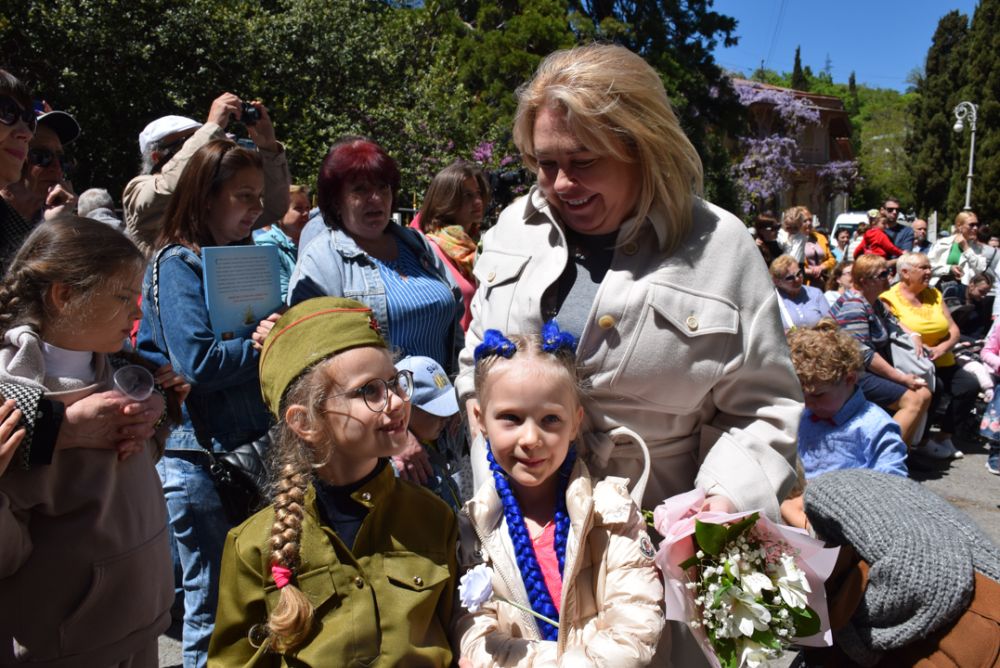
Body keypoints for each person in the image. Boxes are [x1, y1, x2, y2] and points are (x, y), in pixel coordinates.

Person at [456, 43, 798, 575]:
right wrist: (491, 464)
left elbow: (764, 407)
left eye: (584, 161)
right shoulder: (509, 232)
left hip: (659, 546)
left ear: (642, 146)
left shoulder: (721, 245)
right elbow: (474, 367)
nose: (562, 184)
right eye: (546, 164)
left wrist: (724, 499)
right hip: (521, 540)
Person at [209, 297, 457, 666]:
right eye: (368, 391)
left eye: (395, 383)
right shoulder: (255, 546)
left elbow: (453, 635)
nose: (395, 402)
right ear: (305, 422)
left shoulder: (433, 517)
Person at [0, 216, 181, 666]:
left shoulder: (120, 368)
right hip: (67, 646)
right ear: (64, 296)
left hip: (141, 621)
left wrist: (155, 419)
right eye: (123, 297)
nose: (137, 313)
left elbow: (132, 470)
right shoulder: (11, 398)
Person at [136, 139, 282, 667]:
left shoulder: (241, 258)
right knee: (210, 612)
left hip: (246, 453)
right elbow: (198, 364)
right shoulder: (176, 263)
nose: (255, 209)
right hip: (199, 462)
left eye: (258, 196)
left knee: (251, 603)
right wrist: (265, 341)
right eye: (243, 196)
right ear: (204, 198)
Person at [455, 323, 664, 665]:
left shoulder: (611, 511)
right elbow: (474, 637)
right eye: (511, 418)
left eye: (550, 419)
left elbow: (634, 630)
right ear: (480, 419)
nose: (530, 438)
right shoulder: (473, 527)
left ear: (575, 423)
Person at [0, 70, 161, 475]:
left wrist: (151, 390)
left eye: (28, 118)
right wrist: (64, 427)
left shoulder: (20, 226)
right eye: (8, 113)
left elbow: (71, 347)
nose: (23, 129)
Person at [287, 137, 463, 373]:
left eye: (383, 187)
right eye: (360, 189)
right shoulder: (320, 260)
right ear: (336, 200)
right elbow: (312, 357)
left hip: (442, 401)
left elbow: (455, 322)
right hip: (380, 405)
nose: (377, 198)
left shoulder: (416, 244)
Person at [798, 469, 1000, 666]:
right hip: (949, 623)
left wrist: (839, 620)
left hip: (971, 618)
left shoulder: (828, 492)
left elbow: (924, 574)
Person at [123, 93, 290, 257]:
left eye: (199, 139)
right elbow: (168, 189)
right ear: (157, 157)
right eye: (191, 141)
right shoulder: (137, 190)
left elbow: (274, 207)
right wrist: (211, 127)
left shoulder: (208, 195)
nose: (205, 148)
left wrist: (268, 148)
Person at [881, 252, 978, 461]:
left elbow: (953, 329)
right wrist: (922, 346)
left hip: (942, 358)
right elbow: (898, 330)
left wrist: (943, 348)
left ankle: (943, 437)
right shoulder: (889, 298)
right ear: (905, 273)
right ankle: (920, 443)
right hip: (915, 363)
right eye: (923, 268)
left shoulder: (933, 293)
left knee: (969, 386)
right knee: (936, 389)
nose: (929, 272)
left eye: (929, 267)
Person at [829, 254, 932, 446]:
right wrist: (901, 378)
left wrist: (915, 336)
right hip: (850, 374)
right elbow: (862, 354)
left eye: (889, 272)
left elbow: (894, 322)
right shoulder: (854, 305)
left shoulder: (874, 302)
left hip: (867, 369)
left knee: (924, 393)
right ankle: (883, 458)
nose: (890, 278)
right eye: (883, 274)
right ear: (864, 281)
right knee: (913, 400)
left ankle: (904, 454)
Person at [787, 321, 908, 479]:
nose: (807, 404)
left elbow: (893, 485)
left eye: (818, 395)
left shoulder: (875, 427)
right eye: (801, 394)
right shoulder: (803, 416)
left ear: (849, 379)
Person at [411, 160, 491, 330]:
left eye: (478, 193)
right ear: (446, 200)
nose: (477, 201)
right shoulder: (428, 249)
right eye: (468, 196)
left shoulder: (476, 246)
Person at [395, 354, 465, 510]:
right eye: (436, 411)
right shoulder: (401, 467)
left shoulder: (440, 435)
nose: (446, 417)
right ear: (405, 409)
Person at [0, 103, 79, 227]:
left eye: (62, 159)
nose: (57, 167)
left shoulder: (59, 217)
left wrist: (60, 224)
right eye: (41, 156)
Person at [254, 183, 310, 300]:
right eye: (298, 208)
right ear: (280, 213)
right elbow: (283, 298)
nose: (306, 213)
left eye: (307, 208)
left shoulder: (313, 243)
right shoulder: (267, 248)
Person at [928, 210, 995, 287]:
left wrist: (966, 247)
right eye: (971, 225)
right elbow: (929, 266)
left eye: (977, 225)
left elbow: (980, 269)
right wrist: (949, 269)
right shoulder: (942, 243)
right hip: (938, 288)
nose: (975, 228)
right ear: (959, 226)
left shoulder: (979, 248)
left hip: (964, 291)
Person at [771, 254, 831, 330]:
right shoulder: (773, 300)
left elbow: (830, 324)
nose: (797, 279)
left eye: (799, 274)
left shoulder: (816, 293)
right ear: (777, 281)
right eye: (790, 278)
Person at [800, 208, 836, 287]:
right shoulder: (795, 241)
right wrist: (811, 271)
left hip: (823, 282)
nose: (809, 223)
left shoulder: (820, 237)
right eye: (805, 221)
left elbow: (832, 259)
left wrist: (821, 267)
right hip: (804, 283)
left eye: (810, 220)